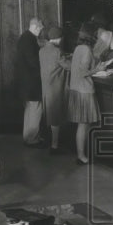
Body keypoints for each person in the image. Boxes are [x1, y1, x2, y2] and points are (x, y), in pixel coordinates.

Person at [68, 21, 108, 165]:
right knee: (83, 125)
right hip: (84, 91)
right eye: (96, 33)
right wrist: (98, 70)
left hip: (76, 89)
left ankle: (82, 153)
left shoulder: (79, 48)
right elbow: (83, 72)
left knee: (84, 125)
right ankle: (81, 156)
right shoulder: (86, 49)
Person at [16, 17, 46, 147]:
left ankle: (28, 137)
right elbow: (33, 61)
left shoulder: (25, 37)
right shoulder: (29, 39)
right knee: (35, 109)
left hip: (25, 81)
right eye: (40, 29)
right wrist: (44, 68)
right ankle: (32, 139)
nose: (40, 31)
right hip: (32, 81)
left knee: (29, 110)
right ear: (34, 27)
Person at [39, 24, 68, 153]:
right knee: (55, 118)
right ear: (58, 38)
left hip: (46, 87)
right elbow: (67, 66)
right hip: (56, 88)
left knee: (50, 116)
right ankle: (54, 146)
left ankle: (52, 142)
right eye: (61, 38)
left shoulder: (42, 50)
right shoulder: (57, 51)